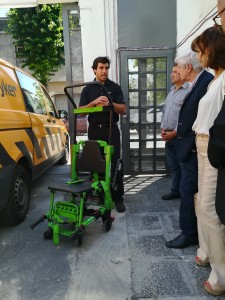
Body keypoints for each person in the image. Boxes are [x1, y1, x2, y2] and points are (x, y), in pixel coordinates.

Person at [165, 49, 214, 249]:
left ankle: (189, 234)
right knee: (187, 190)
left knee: (188, 191)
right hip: (187, 147)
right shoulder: (197, 83)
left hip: (193, 149)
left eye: (177, 66)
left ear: (187, 68)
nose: (174, 70)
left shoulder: (207, 83)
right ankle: (191, 231)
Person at [191, 26, 225, 296]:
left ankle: (221, 274)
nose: (199, 56)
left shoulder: (224, 80)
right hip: (201, 145)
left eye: (202, 50)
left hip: (211, 147)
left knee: (210, 211)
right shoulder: (216, 79)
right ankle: (206, 251)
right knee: (201, 203)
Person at [79, 56, 126, 213]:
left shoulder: (115, 87)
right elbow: (80, 112)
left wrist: (110, 104)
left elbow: (123, 110)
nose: (104, 71)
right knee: (96, 163)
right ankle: (99, 194)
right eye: (101, 68)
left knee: (115, 163)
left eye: (106, 68)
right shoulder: (88, 89)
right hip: (94, 130)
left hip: (111, 129)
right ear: (94, 69)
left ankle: (118, 197)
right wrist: (93, 103)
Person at [161, 65, 189, 200]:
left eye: (175, 72)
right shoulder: (171, 91)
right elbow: (165, 111)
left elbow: (187, 116)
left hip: (180, 136)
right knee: (173, 166)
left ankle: (185, 194)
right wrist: (162, 128)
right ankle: (175, 190)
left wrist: (175, 132)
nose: (171, 74)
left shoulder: (188, 91)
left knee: (183, 166)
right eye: (171, 71)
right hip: (168, 135)